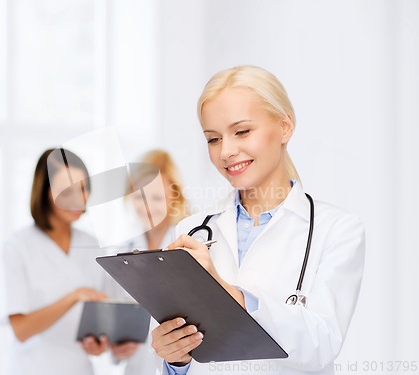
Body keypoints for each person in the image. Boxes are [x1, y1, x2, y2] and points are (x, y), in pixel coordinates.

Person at [151, 66, 365, 375]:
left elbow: (322, 345)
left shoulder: (337, 230)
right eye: (213, 139)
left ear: (284, 127)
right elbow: (171, 351)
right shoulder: (190, 231)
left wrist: (233, 297)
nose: (226, 151)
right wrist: (175, 358)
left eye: (242, 131)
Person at [0, 148, 113, 375]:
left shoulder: (94, 246)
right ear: (44, 191)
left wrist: (100, 343)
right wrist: (75, 296)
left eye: (84, 187)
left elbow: (104, 319)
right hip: (31, 368)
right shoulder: (18, 246)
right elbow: (21, 330)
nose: (81, 197)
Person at [105, 149, 189, 375]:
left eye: (156, 197)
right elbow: (116, 322)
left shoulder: (188, 245)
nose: (147, 206)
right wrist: (116, 347)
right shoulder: (122, 252)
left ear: (174, 196)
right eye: (139, 196)